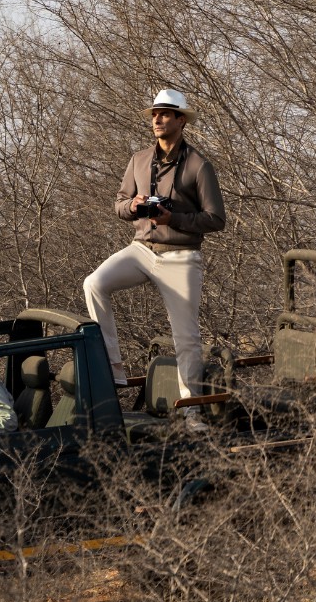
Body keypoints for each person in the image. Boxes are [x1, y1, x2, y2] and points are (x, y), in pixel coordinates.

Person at [83, 88, 225, 432]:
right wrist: (132, 206)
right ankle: (112, 370)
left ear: (181, 120)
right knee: (94, 283)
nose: (157, 119)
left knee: (186, 337)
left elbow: (216, 219)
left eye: (164, 114)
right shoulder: (139, 159)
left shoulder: (199, 165)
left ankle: (192, 413)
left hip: (181, 256)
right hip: (142, 249)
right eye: (154, 114)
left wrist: (172, 219)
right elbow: (119, 204)